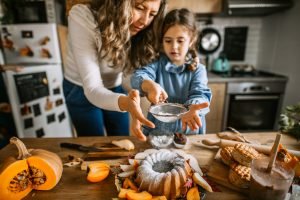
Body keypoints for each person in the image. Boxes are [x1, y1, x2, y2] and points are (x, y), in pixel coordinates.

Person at [63, 0, 167, 140]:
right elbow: (93, 88)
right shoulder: (82, 16)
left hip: (116, 87)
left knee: (121, 140)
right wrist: (126, 104)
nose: (144, 21)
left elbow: (126, 77)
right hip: (79, 89)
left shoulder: (141, 30)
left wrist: (146, 85)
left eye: (152, 14)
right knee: (94, 144)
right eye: (139, 8)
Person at [131, 8, 212, 136]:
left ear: (191, 40)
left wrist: (192, 108)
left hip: (188, 130)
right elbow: (138, 77)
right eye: (168, 41)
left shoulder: (198, 70)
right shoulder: (156, 65)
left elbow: (200, 93)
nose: (174, 46)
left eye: (180, 41)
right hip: (158, 132)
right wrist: (149, 85)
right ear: (162, 40)